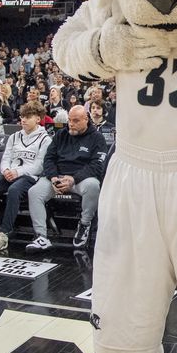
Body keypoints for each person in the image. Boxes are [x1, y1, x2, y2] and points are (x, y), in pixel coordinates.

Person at [0, 101, 51, 254]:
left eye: (28, 117)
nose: (24, 120)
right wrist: (6, 170)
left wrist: (17, 172)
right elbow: (6, 158)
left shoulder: (45, 139)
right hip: (9, 173)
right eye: (22, 117)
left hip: (29, 177)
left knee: (14, 190)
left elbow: (39, 166)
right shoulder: (14, 136)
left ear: (38, 119)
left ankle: (3, 234)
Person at [26, 105, 107, 250]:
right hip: (58, 177)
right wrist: (53, 177)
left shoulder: (97, 138)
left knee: (93, 186)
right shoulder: (61, 135)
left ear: (86, 119)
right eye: (70, 120)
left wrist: (73, 179)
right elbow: (49, 159)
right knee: (34, 192)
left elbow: (97, 166)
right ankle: (41, 236)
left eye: (76, 120)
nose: (71, 124)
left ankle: (85, 224)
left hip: (80, 179)